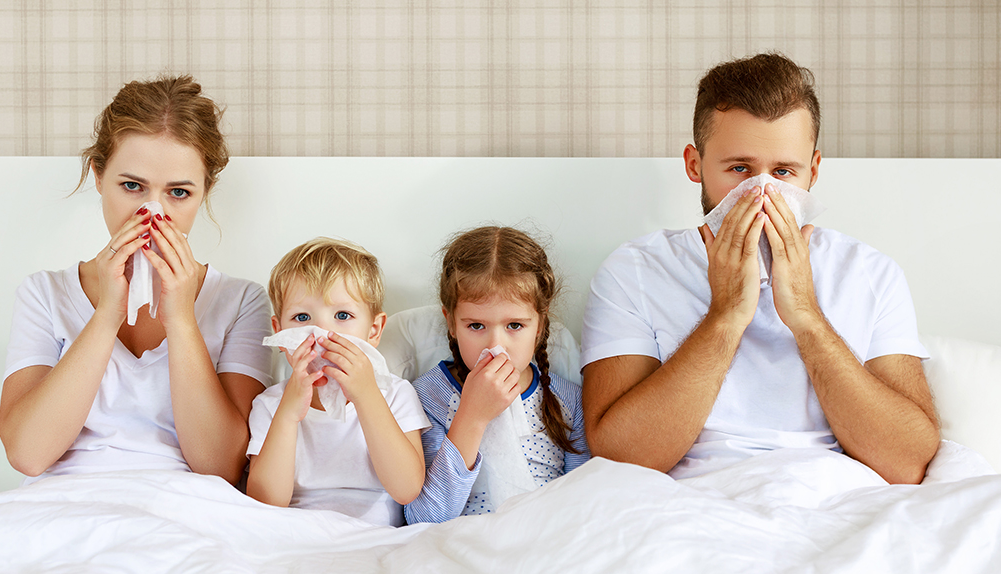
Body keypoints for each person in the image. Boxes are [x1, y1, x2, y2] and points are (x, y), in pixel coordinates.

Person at [580, 53, 940, 485]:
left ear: (815, 170)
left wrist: (806, 316)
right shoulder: (633, 271)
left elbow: (907, 461)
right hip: (688, 503)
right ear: (695, 165)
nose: (761, 193)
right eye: (739, 169)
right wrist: (726, 315)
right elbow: (621, 457)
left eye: (784, 171)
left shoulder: (869, 272)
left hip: (835, 497)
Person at [0, 76, 272, 486]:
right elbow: (27, 454)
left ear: (205, 192)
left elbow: (222, 467)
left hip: (193, 509)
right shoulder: (44, 294)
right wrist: (107, 313)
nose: (153, 214)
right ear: (98, 176)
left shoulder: (240, 301)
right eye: (131, 186)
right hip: (62, 508)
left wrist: (181, 318)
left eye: (178, 193)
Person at [405, 226, 589, 524]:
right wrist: (472, 417)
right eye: (476, 326)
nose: (495, 346)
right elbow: (423, 518)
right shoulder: (428, 396)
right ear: (451, 323)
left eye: (515, 326)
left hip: (548, 539)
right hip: (463, 543)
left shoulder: (568, 400)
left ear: (540, 327)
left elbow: (585, 501)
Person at [246, 237, 428, 526]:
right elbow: (265, 502)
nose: (321, 333)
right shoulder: (270, 404)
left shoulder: (394, 394)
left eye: (342, 315)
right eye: (302, 317)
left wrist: (367, 396)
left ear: (374, 330)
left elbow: (406, 489)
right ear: (280, 334)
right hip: (295, 533)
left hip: (375, 537)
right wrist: (289, 414)